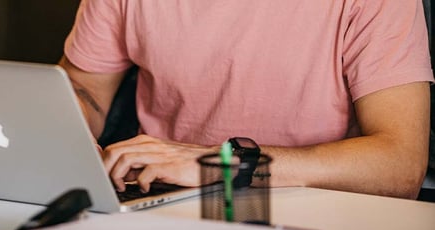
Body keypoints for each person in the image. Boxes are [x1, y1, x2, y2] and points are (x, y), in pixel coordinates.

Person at [59, 0, 434, 199]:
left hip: (310, 210)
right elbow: (84, 88)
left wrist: (223, 166)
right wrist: (66, 134)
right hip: (156, 199)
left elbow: (400, 166)